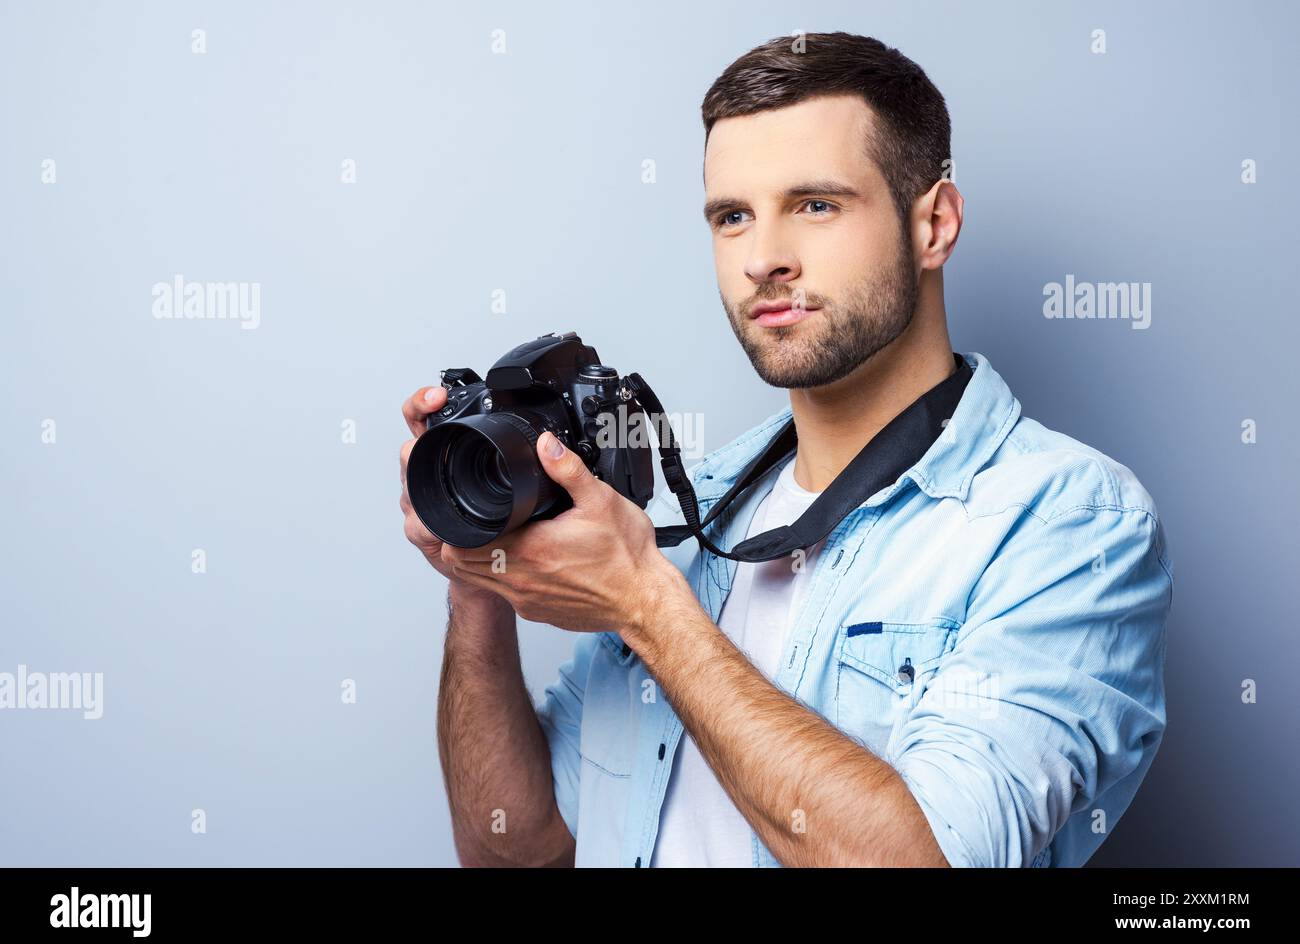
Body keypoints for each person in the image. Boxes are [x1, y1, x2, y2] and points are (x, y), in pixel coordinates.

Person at [398, 32, 1172, 867]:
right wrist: (476, 577)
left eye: (815, 205)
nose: (763, 259)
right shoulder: (686, 516)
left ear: (934, 225)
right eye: (733, 216)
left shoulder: (1071, 524)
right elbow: (516, 848)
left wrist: (648, 609)